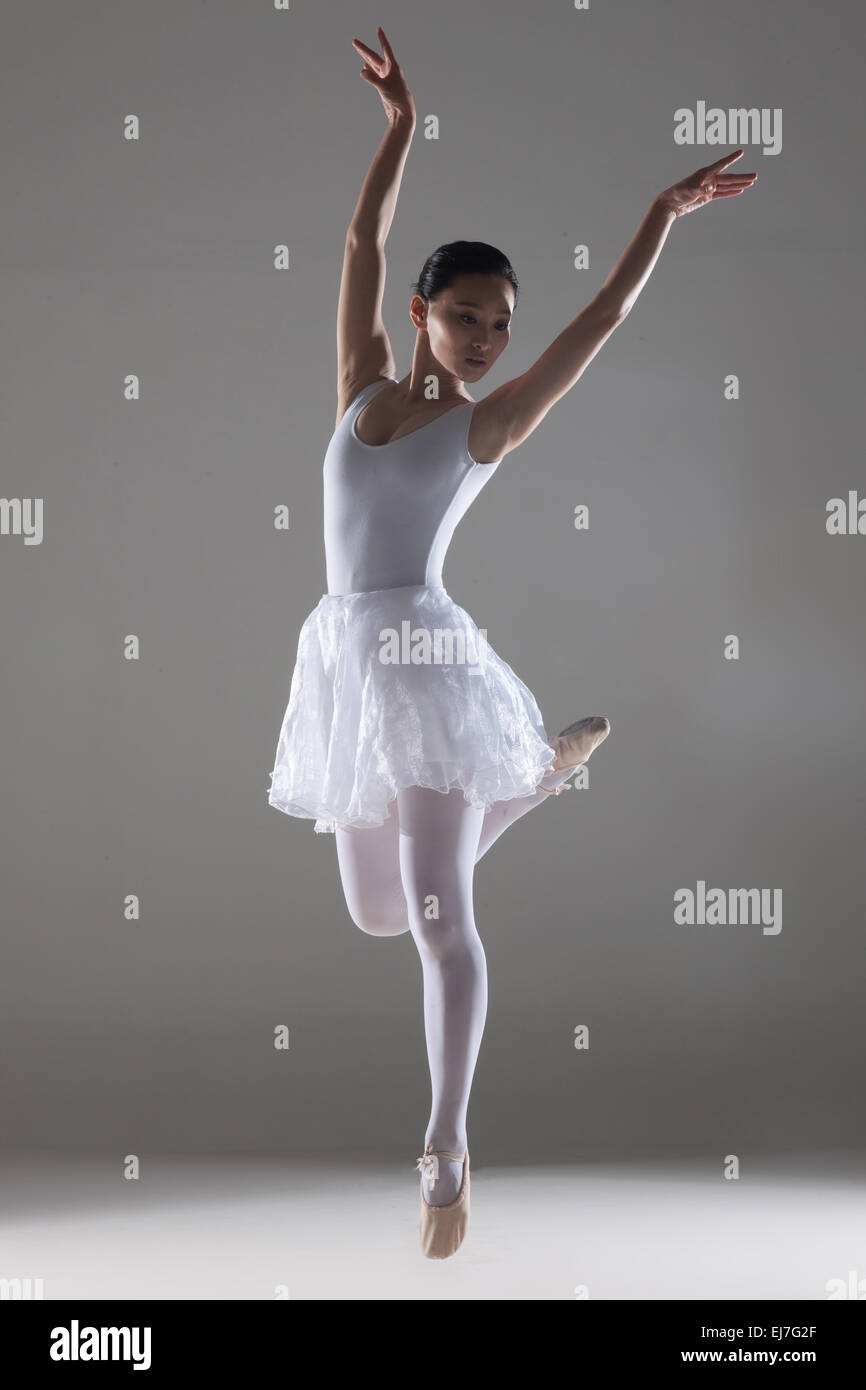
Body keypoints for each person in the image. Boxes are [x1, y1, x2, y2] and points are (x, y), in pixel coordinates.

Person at [267, 26, 757, 1259]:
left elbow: (591, 324)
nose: (487, 338)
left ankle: (445, 1148)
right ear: (423, 314)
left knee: (438, 918)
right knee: (374, 913)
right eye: (469, 316)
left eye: (499, 323)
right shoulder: (362, 384)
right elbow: (359, 245)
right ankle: (532, 776)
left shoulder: (486, 429)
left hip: (425, 670)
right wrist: (398, 132)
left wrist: (659, 212)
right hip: (343, 661)